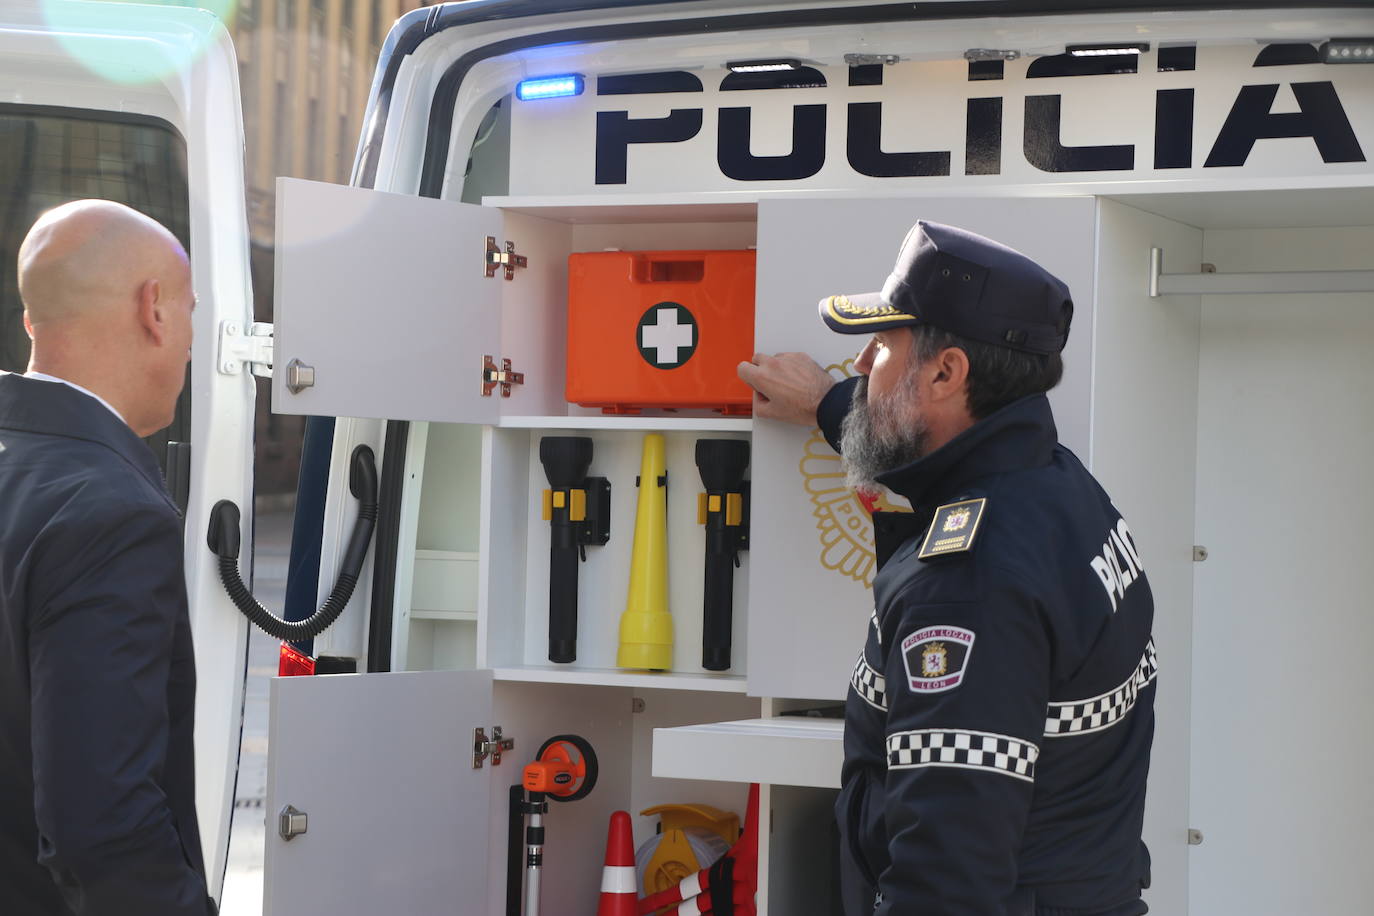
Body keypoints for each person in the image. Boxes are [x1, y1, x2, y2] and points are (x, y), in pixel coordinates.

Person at [738, 221, 1156, 916]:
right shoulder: (1059, 489)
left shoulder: (967, 586)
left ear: (945, 372)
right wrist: (826, 405)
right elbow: (930, 453)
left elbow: (949, 869)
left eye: (880, 346)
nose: (862, 363)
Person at [0, 200, 215, 914]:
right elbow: (102, 829)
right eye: (190, 311)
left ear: (34, 323)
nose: (189, 343)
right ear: (155, 309)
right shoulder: (112, 514)